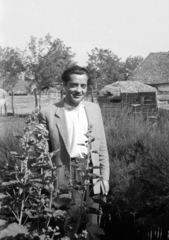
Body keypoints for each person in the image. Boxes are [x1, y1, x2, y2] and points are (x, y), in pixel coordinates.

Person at [39, 65, 110, 224]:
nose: (79, 90)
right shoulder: (48, 113)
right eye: (74, 85)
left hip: (93, 171)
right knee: (69, 222)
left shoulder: (94, 109)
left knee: (93, 223)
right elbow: (42, 152)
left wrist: (104, 177)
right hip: (65, 172)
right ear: (64, 86)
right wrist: (49, 179)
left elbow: (101, 145)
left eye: (83, 86)